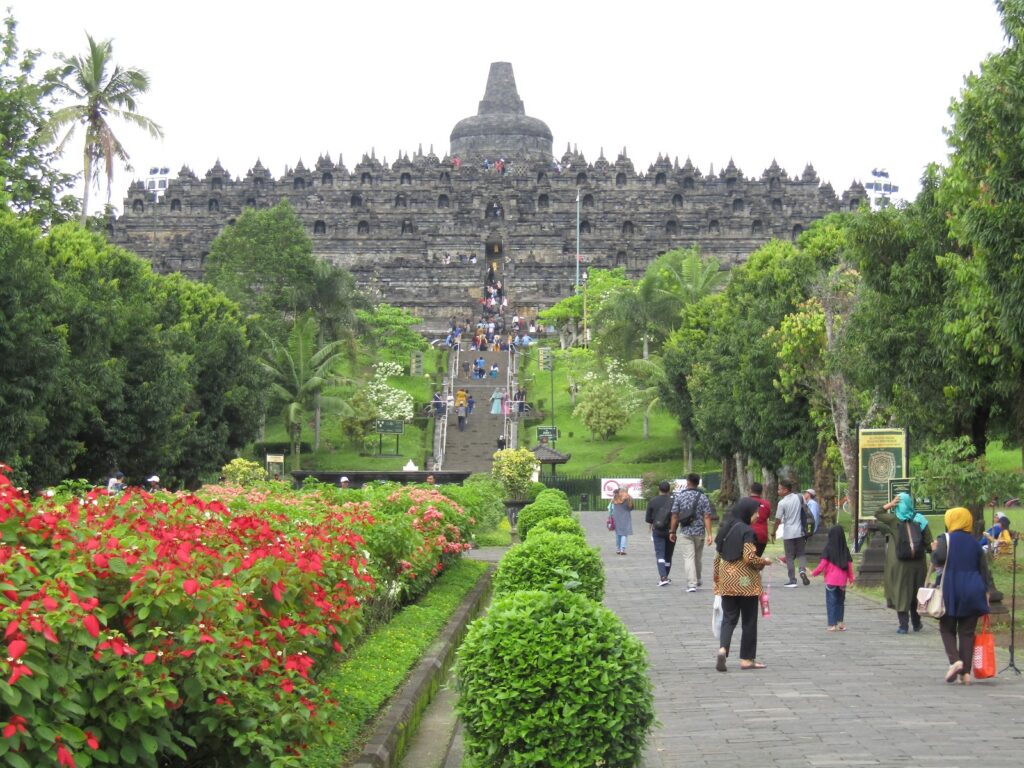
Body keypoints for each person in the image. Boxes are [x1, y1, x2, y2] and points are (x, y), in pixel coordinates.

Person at [932, 506, 994, 684]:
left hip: (952, 587)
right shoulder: (975, 542)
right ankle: (965, 673)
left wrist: (935, 549)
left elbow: (938, 558)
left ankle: (955, 661)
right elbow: (984, 569)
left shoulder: (945, 539)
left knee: (947, 627)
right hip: (974, 588)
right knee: (967, 632)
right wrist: (986, 591)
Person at [713, 498, 772, 671]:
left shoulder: (724, 528)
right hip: (745, 582)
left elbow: (717, 557)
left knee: (729, 619)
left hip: (726, 580)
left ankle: (723, 649)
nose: (756, 517)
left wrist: (717, 581)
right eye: (755, 513)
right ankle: (746, 659)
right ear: (746, 513)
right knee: (748, 620)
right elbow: (749, 557)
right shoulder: (747, 531)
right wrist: (764, 562)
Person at [876, 492, 934, 633]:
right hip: (918, 564)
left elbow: (877, 513)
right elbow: (928, 543)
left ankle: (903, 626)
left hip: (899, 563)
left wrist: (890, 504)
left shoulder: (894, 520)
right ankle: (916, 623)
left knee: (901, 591)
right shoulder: (920, 520)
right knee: (916, 592)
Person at [668, 473, 714, 592]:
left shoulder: (680, 497)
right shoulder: (703, 497)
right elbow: (707, 516)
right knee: (697, 558)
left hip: (686, 531)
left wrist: (672, 531)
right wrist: (709, 534)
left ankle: (691, 584)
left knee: (689, 557)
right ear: (698, 483)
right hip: (699, 532)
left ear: (688, 482)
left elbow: (674, 515)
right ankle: (698, 579)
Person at [811, 526, 855, 630]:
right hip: (842, 582)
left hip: (831, 580)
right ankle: (840, 623)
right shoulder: (845, 549)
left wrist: (814, 573)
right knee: (840, 602)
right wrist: (851, 579)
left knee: (831, 602)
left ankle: (832, 624)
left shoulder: (828, 548)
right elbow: (849, 566)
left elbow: (822, 564)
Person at [772, 479, 809, 587]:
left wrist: (773, 532)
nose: (778, 491)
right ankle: (802, 571)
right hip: (800, 531)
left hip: (788, 533)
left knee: (789, 556)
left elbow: (778, 520)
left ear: (785, 490)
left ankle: (792, 580)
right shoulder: (800, 497)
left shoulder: (782, 503)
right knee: (801, 553)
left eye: (779, 489)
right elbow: (805, 510)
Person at [646, 481, 676, 586]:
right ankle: (666, 576)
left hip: (658, 530)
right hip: (671, 531)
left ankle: (663, 577)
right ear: (669, 490)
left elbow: (648, 518)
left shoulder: (653, 501)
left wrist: (653, 523)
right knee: (668, 555)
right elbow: (677, 517)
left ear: (659, 489)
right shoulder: (674, 501)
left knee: (660, 554)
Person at [749, 482, 772, 556]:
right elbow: (767, 516)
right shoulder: (766, 504)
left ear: (750, 490)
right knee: (756, 560)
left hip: (747, 535)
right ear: (761, 492)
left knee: (746, 561)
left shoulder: (744, 502)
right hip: (762, 535)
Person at [609, 487, 634, 555]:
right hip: (625, 516)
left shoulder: (615, 497)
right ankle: (622, 549)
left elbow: (611, 506)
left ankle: (618, 549)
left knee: (618, 533)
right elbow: (631, 508)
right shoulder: (629, 498)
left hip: (616, 516)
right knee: (624, 533)